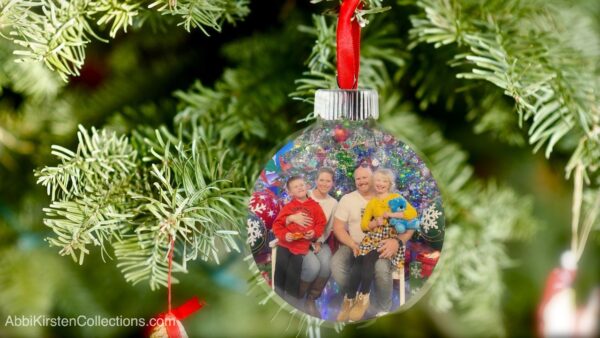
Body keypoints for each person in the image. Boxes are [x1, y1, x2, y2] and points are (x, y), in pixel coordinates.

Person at [331, 165, 415, 319]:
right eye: (358, 178)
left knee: (381, 267)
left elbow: (411, 223)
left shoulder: (393, 198)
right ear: (355, 181)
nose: (362, 181)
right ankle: (352, 297)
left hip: (385, 243)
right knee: (337, 264)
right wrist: (352, 244)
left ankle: (381, 308)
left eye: (365, 177)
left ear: (375, 179)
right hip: (354, 243)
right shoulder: (348, 199)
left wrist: (397, 241)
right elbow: (338, 227)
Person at [286, 167, 338, 318]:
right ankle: (298, 298)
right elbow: (288, 217)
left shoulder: (333, 203)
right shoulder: (304, 195)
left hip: (318, 240)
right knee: (313, 266)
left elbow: (328, 228)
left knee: (327, 265)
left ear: (332, 184)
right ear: (315, 181)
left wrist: (320, 242)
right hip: (299, 239)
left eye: (328, 181)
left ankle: (311, 299)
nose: (324, 183)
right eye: (321, 179)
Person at [271, 175, 327, 306]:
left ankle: (290, 302)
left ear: (307, 186)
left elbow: (320, 224)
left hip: (301, 247)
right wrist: (285, 235)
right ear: (290, 192)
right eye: (296, 187)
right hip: (285, 245)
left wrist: (314, 233)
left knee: (293, 273)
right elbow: (277, 225)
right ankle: (277, 299)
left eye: (302, 184)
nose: (300, 187)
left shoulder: (315, 206)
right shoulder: (288, 207)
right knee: (280, 270)